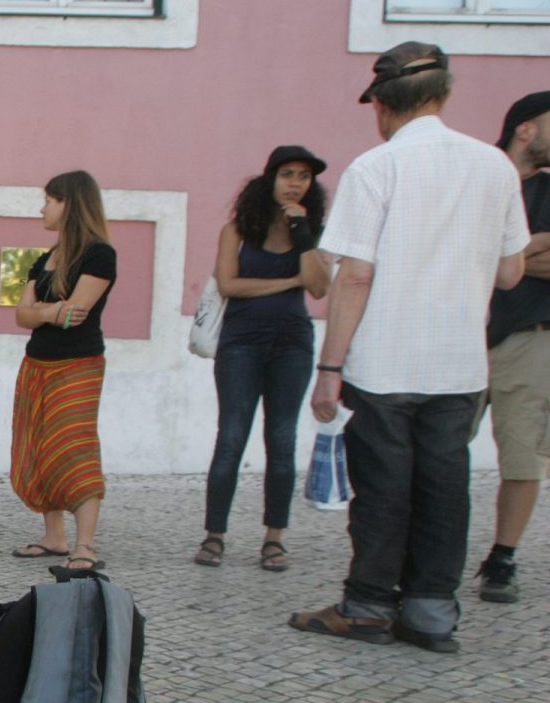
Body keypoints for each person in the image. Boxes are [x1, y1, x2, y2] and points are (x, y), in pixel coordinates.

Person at [289, 43, 528, 653]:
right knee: (446, 488)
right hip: (459, 363)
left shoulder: (377, 168)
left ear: (382, 108)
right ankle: (431, 612)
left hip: (385, 360)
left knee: (385, 488)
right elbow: (509, 274)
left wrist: (330, 367)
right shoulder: (495, 167)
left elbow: (356, 274)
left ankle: (368, 604)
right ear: (444, 95)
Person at [195, 146, 333, 572]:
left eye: (304, 177)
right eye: (288, 173)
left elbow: (319, 287)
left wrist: (303, 234)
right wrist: (288, 279)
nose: (295, 183)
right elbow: (229, 284)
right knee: (232, 436)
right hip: (241, 344)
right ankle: (214, 535)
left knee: (283, 440)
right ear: (270, 179)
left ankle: (275, 538)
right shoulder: (237, 230)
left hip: (292, 345)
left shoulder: (313, 232)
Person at [9, 171, 117, 574]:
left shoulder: (100, 254)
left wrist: (44, 311)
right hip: (36, 362)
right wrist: (49, 312)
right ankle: (54, 537)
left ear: (70, 204)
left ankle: (85, 544)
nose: (43, 206)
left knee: (74, 448)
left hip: (78, 365)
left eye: (49, 199)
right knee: (36, 447)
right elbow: (21, 314)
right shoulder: (44, 258)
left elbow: (76, 314)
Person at [475, 91, 550, 603]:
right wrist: (530, 248)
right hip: (456, 332)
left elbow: (499, 259)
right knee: (434, 447)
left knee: (522, 454)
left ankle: (502, 557)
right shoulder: (478, 175)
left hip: (527, 337)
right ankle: (419, 548)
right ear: (526, 128)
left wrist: (505, 252)